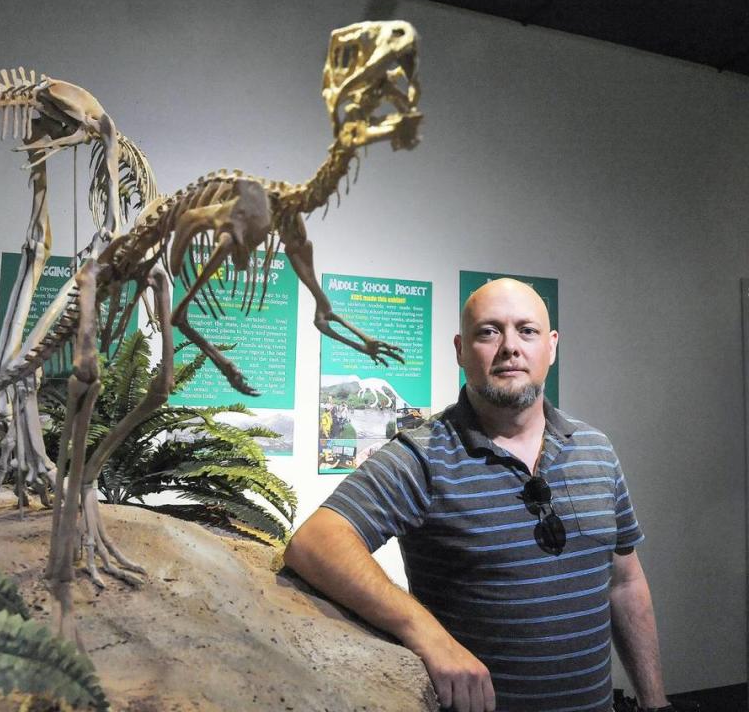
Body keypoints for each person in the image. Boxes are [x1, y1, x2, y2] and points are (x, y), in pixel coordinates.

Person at [284, 278, 672, 712]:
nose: (510, 346)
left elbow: (625, 582)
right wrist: (427, 635)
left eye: (527, 330)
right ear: (460, 350)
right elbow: (317, 542)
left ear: (552, 346)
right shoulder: (424, 456)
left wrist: (655, 702)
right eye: (489, 331)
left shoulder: (595, 449)